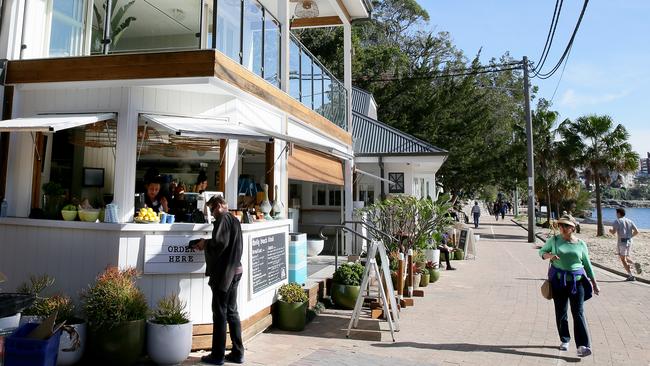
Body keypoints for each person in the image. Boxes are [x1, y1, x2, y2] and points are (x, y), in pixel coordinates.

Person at [192, 196, 244, 365]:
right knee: (232, 312)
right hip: (236, 270)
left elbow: (220, 243)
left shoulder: (223, 218)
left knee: (220, 314)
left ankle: (217, 356)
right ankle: (237, 352)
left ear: (221, 205)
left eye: (213, 209)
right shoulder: (234, 220)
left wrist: (204, 244)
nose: (213, 214)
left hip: (225, 274)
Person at [539, 215, 600, 358]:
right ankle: (565, 339)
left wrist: (594, 283)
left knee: (578, 312)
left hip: (577, 282)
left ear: (573, 228)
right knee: (561, 312)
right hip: (558, 282)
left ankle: (582, 346)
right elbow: (541, 252)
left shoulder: (581, 244)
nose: (562, 228)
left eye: (566, 225)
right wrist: (550, 256)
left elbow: (587, 264)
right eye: (560, 225)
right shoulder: (554, 240)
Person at [609, 207, 641, 281]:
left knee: (623, 259)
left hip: (622, 242)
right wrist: (630, 237)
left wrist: (610, 230)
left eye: (616, 213)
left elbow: (613, 232)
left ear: (619, 213)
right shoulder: (629, 221)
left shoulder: (617, 221)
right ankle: (634, 264)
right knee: (625, 257)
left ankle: (631, 275)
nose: (616, 215)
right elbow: (637, 231)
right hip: (629, 241)